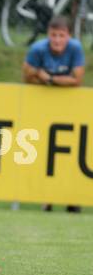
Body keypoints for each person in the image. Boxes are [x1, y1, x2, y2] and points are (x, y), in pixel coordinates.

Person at [23, 15, 85, 213]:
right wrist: (57, 80)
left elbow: (76, 80)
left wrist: (47, 78)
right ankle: (47, 198)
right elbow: (28, 77)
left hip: (70, 108)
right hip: (43, 107)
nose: (57, 40)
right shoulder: (38, 49)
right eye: (53, 36)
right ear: (48, 35)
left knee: (69, 154)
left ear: (69, 36)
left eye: (61, 36)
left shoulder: (75, 48)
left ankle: (72, 199)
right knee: (45, 154)